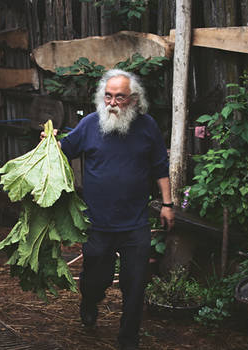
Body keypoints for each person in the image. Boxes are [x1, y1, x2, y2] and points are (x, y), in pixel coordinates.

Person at [43, 69, 174, 350]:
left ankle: (128, 340)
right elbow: (62, 151)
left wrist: (167, 204)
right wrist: (50, 142)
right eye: (108, 96)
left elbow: (160, 168)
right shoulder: (90, 125)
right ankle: (89, 303)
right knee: (94, 280)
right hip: (97, 223)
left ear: (134, 100)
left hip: (135, 224)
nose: (112, 103)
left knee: (135, 284)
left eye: (120, 97)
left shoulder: (147, 127)